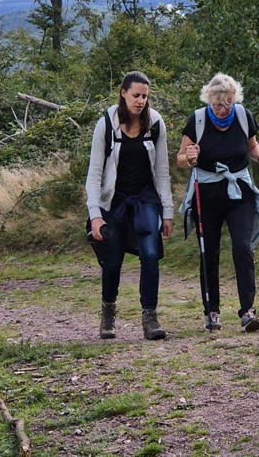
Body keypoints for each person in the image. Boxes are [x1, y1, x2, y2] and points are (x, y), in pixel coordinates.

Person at [177, 73, 259, 333]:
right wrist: (189, 156)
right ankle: (212, 311)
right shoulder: (197, 120)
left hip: (239, 194)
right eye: (218, 103)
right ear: (209, 99)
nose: (223, 109)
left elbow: (252, 148)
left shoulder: (243, 116)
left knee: (243, 247)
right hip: (206, 196)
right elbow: (179, 158)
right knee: (208, 252)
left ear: (235, 99)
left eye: (229, 103)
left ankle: (248, 311)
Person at [85, 71, 174, 341]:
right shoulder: (106, 124)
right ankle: (108, 314)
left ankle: (150, 317)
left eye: (145, 96)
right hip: (114, 200)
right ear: (123, 93)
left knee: (150, 255)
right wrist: (95, 215)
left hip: (145, 198)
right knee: (112, 261)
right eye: (136, 95)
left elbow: (162, 171)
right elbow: (94, 174)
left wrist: (167, 211)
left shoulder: (155, 123)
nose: (141, 101)